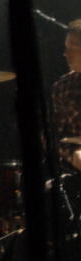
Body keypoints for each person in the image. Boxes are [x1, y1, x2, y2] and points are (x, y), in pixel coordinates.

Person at [52, 20, 81, 172]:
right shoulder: (63, 86)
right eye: (66, 48)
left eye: (72, 48)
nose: (66, 54)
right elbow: (54, 136)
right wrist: (73, 154)